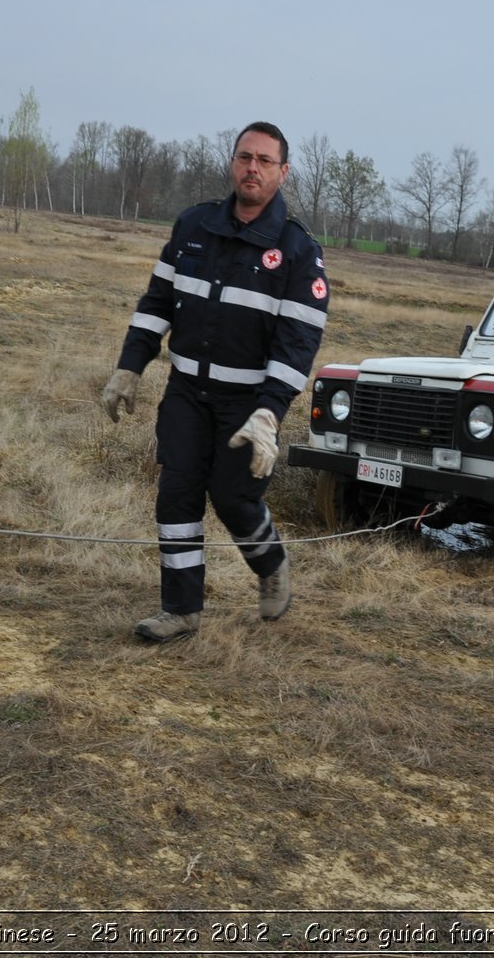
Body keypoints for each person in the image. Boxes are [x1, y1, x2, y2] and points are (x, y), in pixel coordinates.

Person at [102, 121, 329, 642]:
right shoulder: (193, 226)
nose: (253, 168)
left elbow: (299, 341)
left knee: (233, 498)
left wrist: (270, 411)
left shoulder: (297, 250)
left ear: (283, 171)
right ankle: (181, 610)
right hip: (186, 392)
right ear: (232, 162)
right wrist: (129, 365)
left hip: (248, 404)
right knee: (176, 494)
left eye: (265, 161)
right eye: (245, 157)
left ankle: (270, 564)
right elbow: (156, 301)